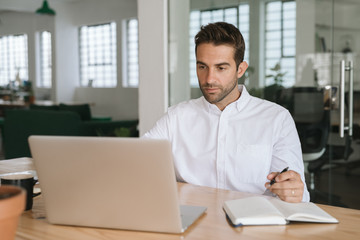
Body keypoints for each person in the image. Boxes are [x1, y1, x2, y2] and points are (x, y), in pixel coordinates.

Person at [144, 22, 309, 203]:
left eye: (221, 68)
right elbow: (136, 162)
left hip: (253, 223)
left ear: (240, 69)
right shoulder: (175, 118)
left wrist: (292, 190)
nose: (209, 79)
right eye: (202, 67)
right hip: (193, 222)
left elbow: (297, 195)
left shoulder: (277, 119)